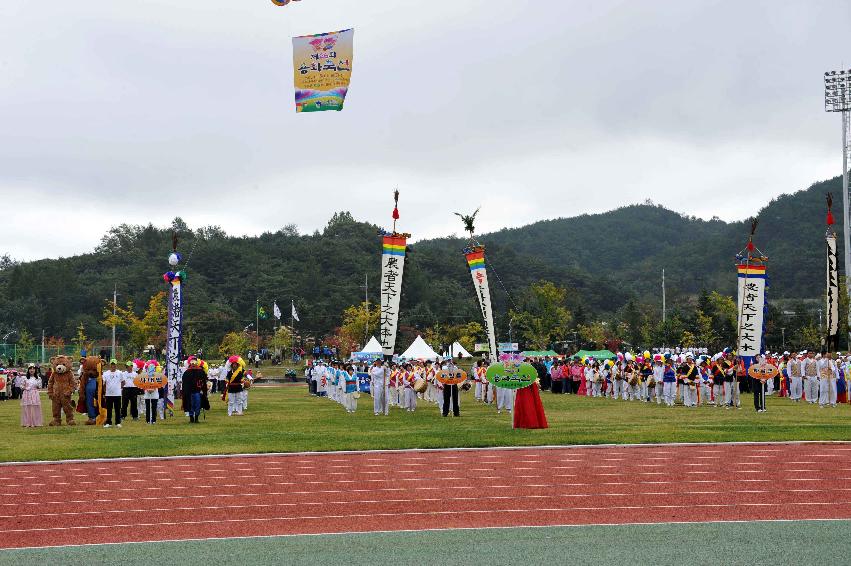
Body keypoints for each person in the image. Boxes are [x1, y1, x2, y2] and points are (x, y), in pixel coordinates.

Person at [181, 358, 207, 423]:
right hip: (189, 392)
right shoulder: (186, 372)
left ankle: (197, 418)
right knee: (190, 404)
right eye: (192, 363)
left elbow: (203, 381)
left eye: (194, 363)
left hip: (197, 391)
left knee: (198, 404)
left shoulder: (200, 371)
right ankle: (191, 417)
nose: (193, 364)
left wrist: (203, 390)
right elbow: (184, 383)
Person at [102, 359, 123, 428]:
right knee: (109, 409)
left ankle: (118, 422)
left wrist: (119, 388)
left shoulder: (120, 373)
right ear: (110, 365)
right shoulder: (106, 373)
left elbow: (123, 382)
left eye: (114, 364)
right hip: (108, 394)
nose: (113, 366)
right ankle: (108, 422)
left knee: (117, 409)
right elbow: (103, 383)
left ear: (116, 365)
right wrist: (104, 392)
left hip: (117, 394)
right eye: (112, 364)